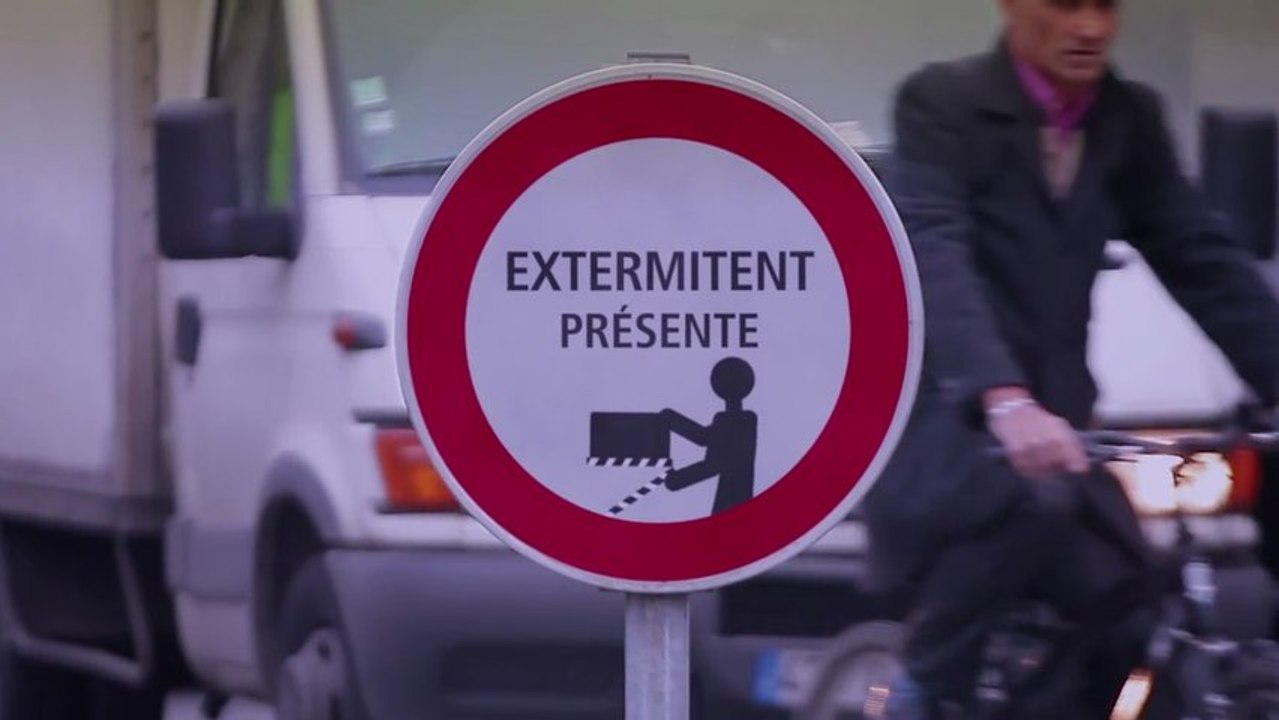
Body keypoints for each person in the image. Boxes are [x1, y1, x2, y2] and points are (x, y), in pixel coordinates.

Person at [862, 0, 1279, 717]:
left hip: (1061, 439)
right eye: (1064, 3)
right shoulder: (943, 104)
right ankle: (917, 693)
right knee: (1028, 512)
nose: (1088, 27)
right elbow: (935, 255)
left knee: (1133, 602)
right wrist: (1004, 398)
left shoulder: (1124, 118)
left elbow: (1199, 259)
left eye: (1103, 5)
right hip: (951, 434)